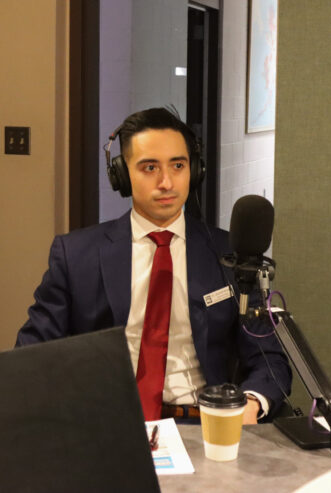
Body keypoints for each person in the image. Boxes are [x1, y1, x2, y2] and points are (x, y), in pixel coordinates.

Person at [15, 107, 291, 424]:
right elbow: (32, 354)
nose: (166, 182)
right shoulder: (76, 255)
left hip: (206, 425)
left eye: (178, 165)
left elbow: (269, 357)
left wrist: (252, 403)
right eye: (149, 168)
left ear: (195, 171)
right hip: (109, 424)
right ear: (121, 175)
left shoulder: (232, 255)